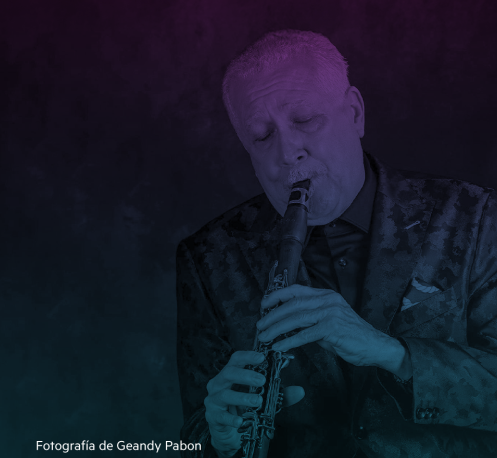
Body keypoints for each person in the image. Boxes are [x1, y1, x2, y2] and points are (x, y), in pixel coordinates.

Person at [176, 30, 497, 458]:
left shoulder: (476, 216)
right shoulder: (209, 258)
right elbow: (195, 436)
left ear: (355, 113)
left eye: (304, 119)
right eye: (262, 136)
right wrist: (219, 440)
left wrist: (393, 353)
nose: (287, 152)